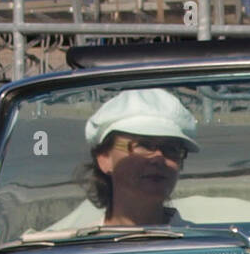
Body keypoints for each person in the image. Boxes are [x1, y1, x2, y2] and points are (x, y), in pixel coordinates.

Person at [45, 88, 200, 232]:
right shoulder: (76, 252)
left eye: (171, 149)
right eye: (143, 145)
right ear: (105, 158)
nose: (158, 158)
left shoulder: (203, 248)